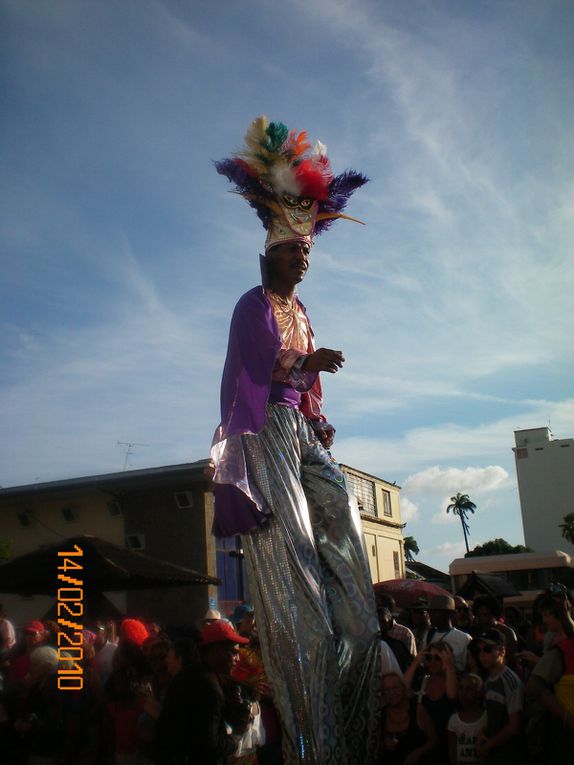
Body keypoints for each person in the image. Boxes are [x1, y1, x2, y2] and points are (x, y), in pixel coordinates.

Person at [211, 116, 381, 765]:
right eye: (292, 251)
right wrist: (306, 369)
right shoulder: (251, 304)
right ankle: (318, 745)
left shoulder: (303, 311)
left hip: (304, 432)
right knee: (300, 596)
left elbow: (308, 384)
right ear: (269, 253)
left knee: (354, 597)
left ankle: (356, 717)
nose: (301, 258)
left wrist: (319, 412)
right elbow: (258, 368)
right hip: (265, 431)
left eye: (306, 252)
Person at [154, 620, 250, 765]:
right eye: (234, 652)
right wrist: (236, 740)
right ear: (217, 650)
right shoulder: (209, 686)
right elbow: (209, 744)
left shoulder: (187, 674)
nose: (237, 659)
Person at [526, 588, 574, 759]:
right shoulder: (553, 641)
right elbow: (536, 686)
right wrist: (566, 717)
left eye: (547, 615)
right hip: (561, 722)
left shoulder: (561, 644)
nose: (545, 620)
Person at [475, 628, 525, 764]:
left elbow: (514, 726)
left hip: (509, 753)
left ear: (502, 651)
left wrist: (489, 745)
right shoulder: (489, 680)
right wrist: (483, 733)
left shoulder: (509, 680)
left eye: (487, 649)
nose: (481, 654)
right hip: (495, 751)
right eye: (479, 650)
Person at [404, 641, 457, 764]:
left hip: (447, 744)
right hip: (426, 745)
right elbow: (403, 690)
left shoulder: (453, 678)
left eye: (438, 658)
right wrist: (416, 663)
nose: (432, 662)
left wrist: (449, 666)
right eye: (428, 658)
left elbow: (452, 694)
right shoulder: (423, 681)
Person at [379, 672, 437, 765]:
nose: (391, 693)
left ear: (403, 688)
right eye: (386, 690)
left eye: (395, 688)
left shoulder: (417, 710)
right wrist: (382, 745)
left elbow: (434, 740)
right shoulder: (381, 715)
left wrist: (418, 753)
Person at [447, 673, 486, 765]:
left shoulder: (486, 717)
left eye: (469, 688)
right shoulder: (454, 720)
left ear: (479, 693)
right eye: (461, 688)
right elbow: (452, 752)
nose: (464, 692)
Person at [426, 595, 471, 672]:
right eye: (430, 612)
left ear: (449, 614)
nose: (431, 615)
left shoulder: (464, 638)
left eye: (436, 612)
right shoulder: (429, 634)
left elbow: (469, 667)